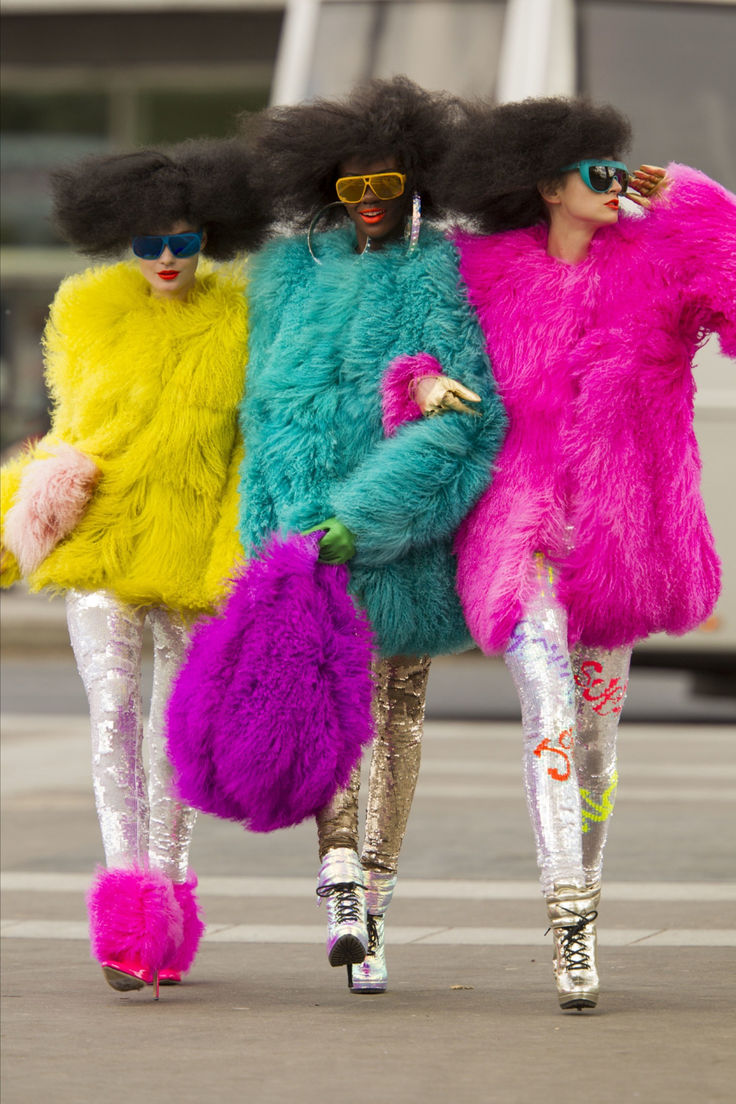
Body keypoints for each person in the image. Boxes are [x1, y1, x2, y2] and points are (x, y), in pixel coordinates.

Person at [395, 96, 736, 1010]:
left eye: (621, 169)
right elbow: (410, 343)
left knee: (595, 742)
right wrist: (419, 382)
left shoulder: (660, 267)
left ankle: (585, 887)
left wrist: (695, 199)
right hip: (522, 533)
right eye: (596, 171)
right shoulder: (484, 274)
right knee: (548, 712)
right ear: (547, 184)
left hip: (620, 543)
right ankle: (570, 923)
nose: (616, 184)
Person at [239, 76, 506, 993]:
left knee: (397, 714)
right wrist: (269, 532)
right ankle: (341, 877)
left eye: (389, 185)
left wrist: (426, 390)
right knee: (331, 704)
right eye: (354, 189)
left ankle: (373, 906)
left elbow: (472, 408)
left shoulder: (444, 266)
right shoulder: (286, 273)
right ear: (327, 189)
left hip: (402, 533)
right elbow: (261, 411)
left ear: (418, 181)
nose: (374, 204)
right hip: (304, 532)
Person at [1, 141, 272, 996]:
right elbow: (71, 430)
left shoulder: (241, 315)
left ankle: (167, 910)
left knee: (171, 745)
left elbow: (248, 452)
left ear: (212, 237)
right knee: (112, 730)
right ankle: (130, 920)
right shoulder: (86, 309)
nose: (163, 257)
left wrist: (236, 561)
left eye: (184, 241)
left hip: (195, 558)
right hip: (103, 551)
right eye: (146, 241)